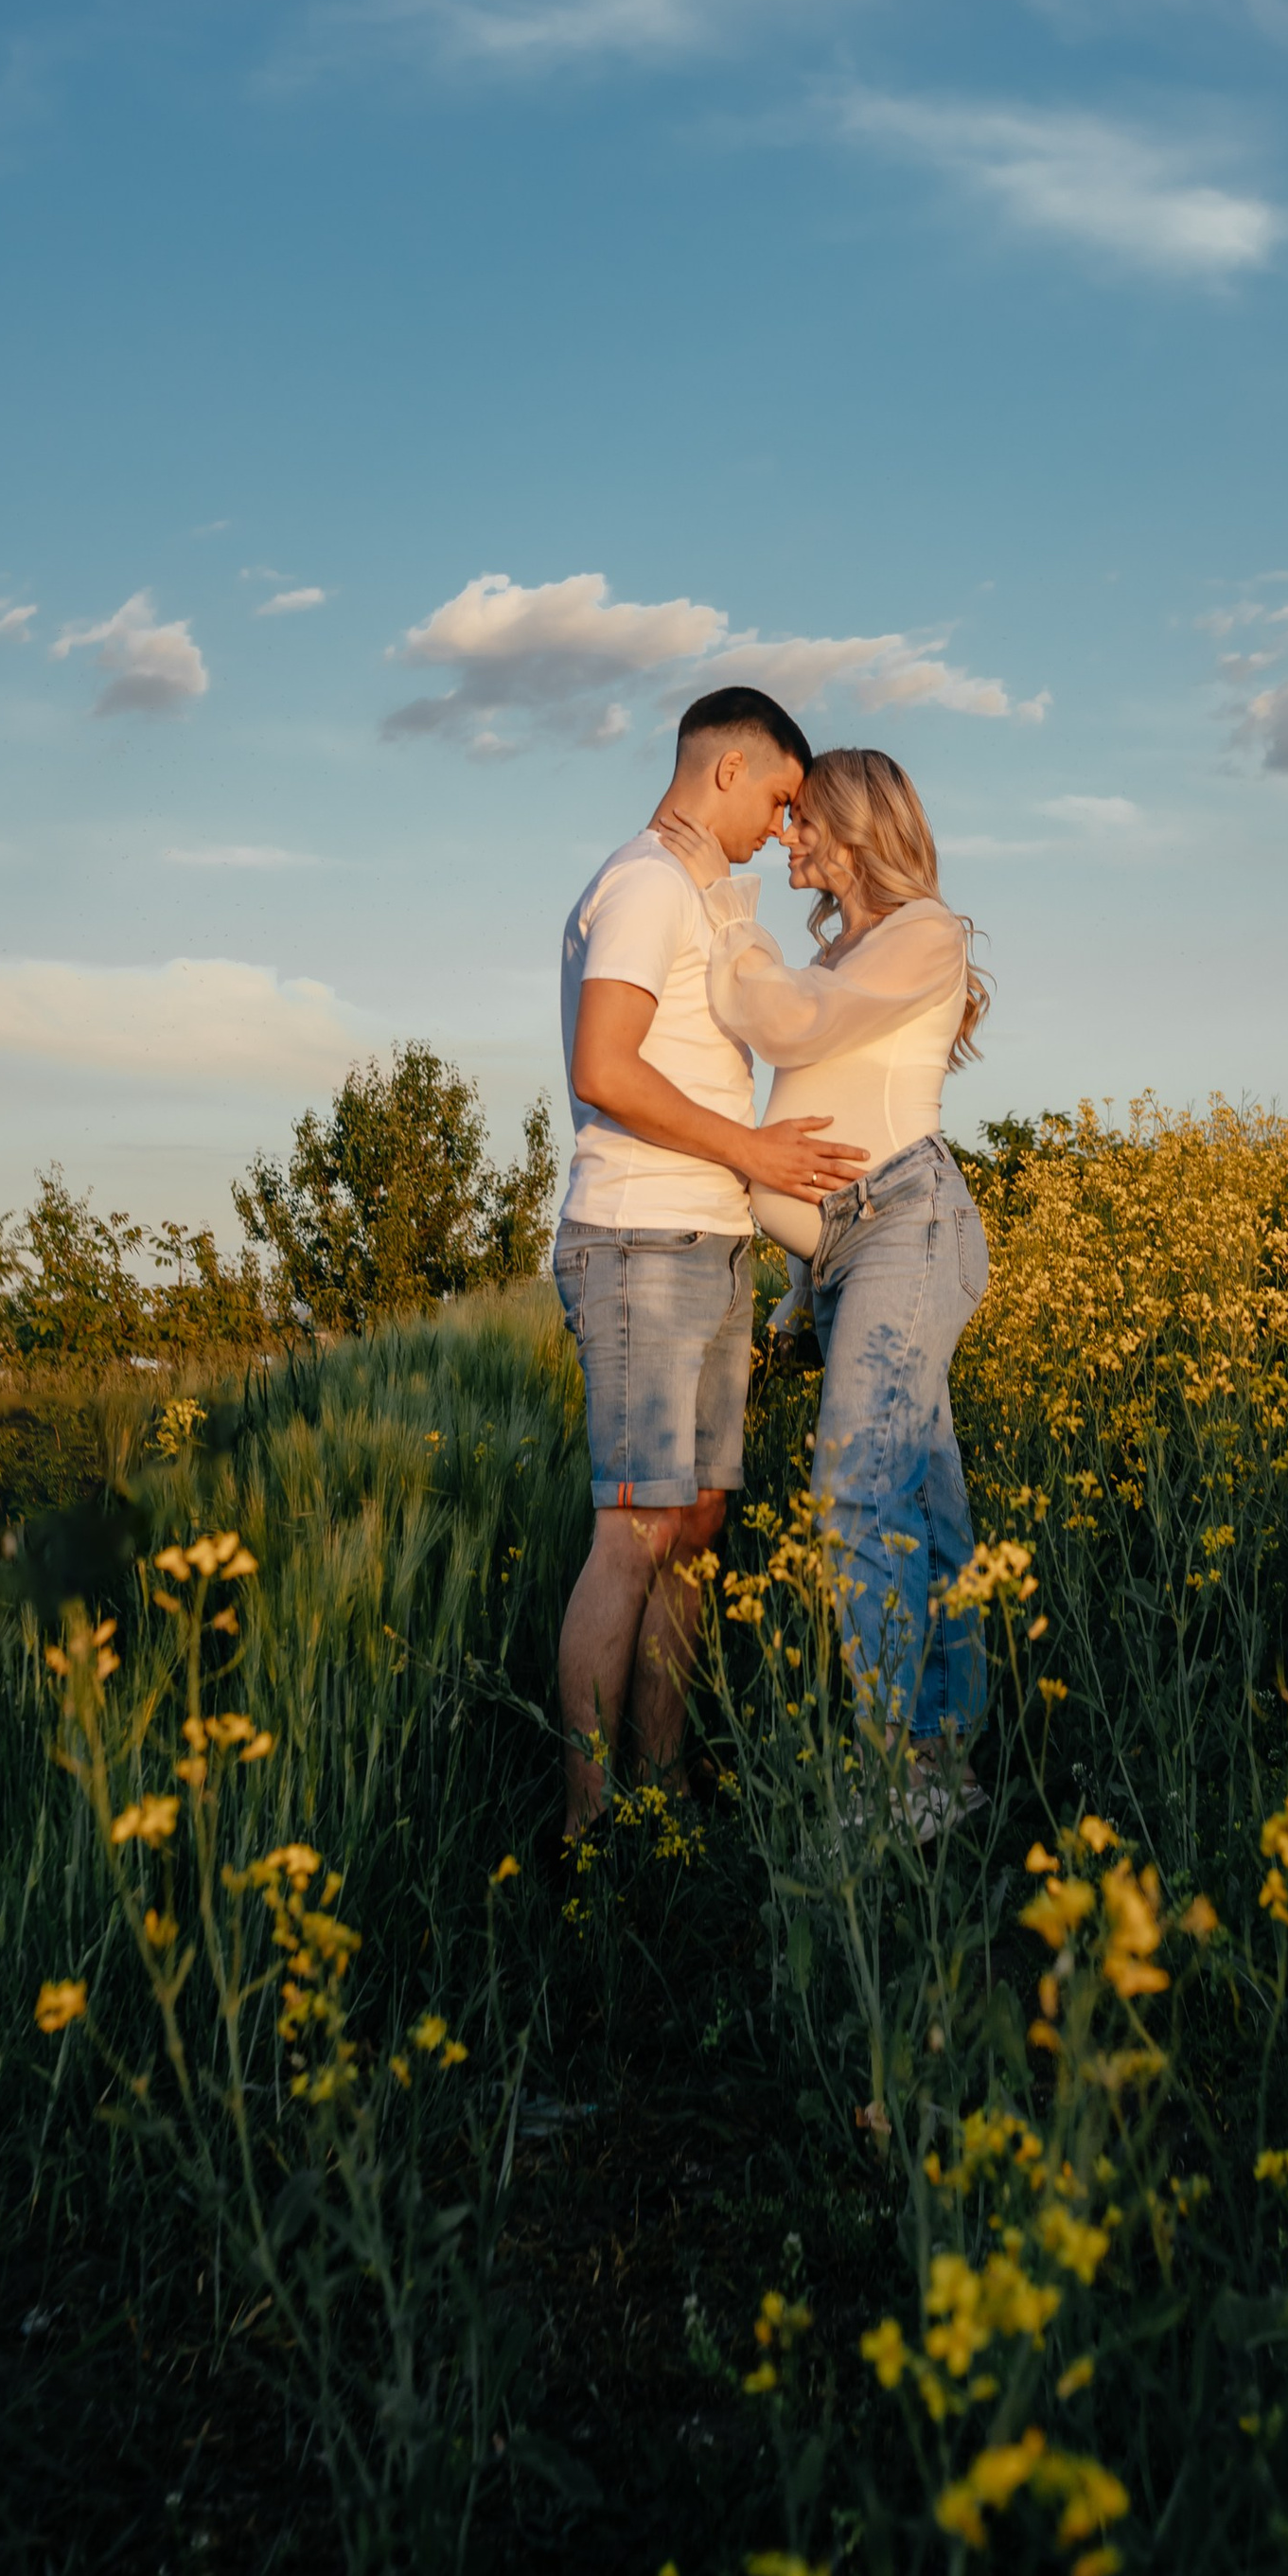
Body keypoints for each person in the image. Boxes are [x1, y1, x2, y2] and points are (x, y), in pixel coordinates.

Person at [553, 686, 868, 1839]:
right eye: (782, 800)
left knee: (693, 1533)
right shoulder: (641, 883)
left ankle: (667, 1793)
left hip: (710, 1235)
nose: (784, 830)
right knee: (631, 1537)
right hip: (638, 1235)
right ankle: (589, 1832)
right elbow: (605, 1065)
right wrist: (755, 1150)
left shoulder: (693, 893)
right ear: (726, 769)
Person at [656, 746, 993, 1822]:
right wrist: (806, 1288)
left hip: (907, 1222)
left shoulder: (921, 934)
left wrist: (728, 911)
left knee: (853, 1491)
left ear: (853, 828)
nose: (787, 833)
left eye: (803, 819)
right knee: (922, 1509)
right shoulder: (848, 949)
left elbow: (792, 1027)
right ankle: (942, 1779)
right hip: (848, 1253)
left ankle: (896, 1780)